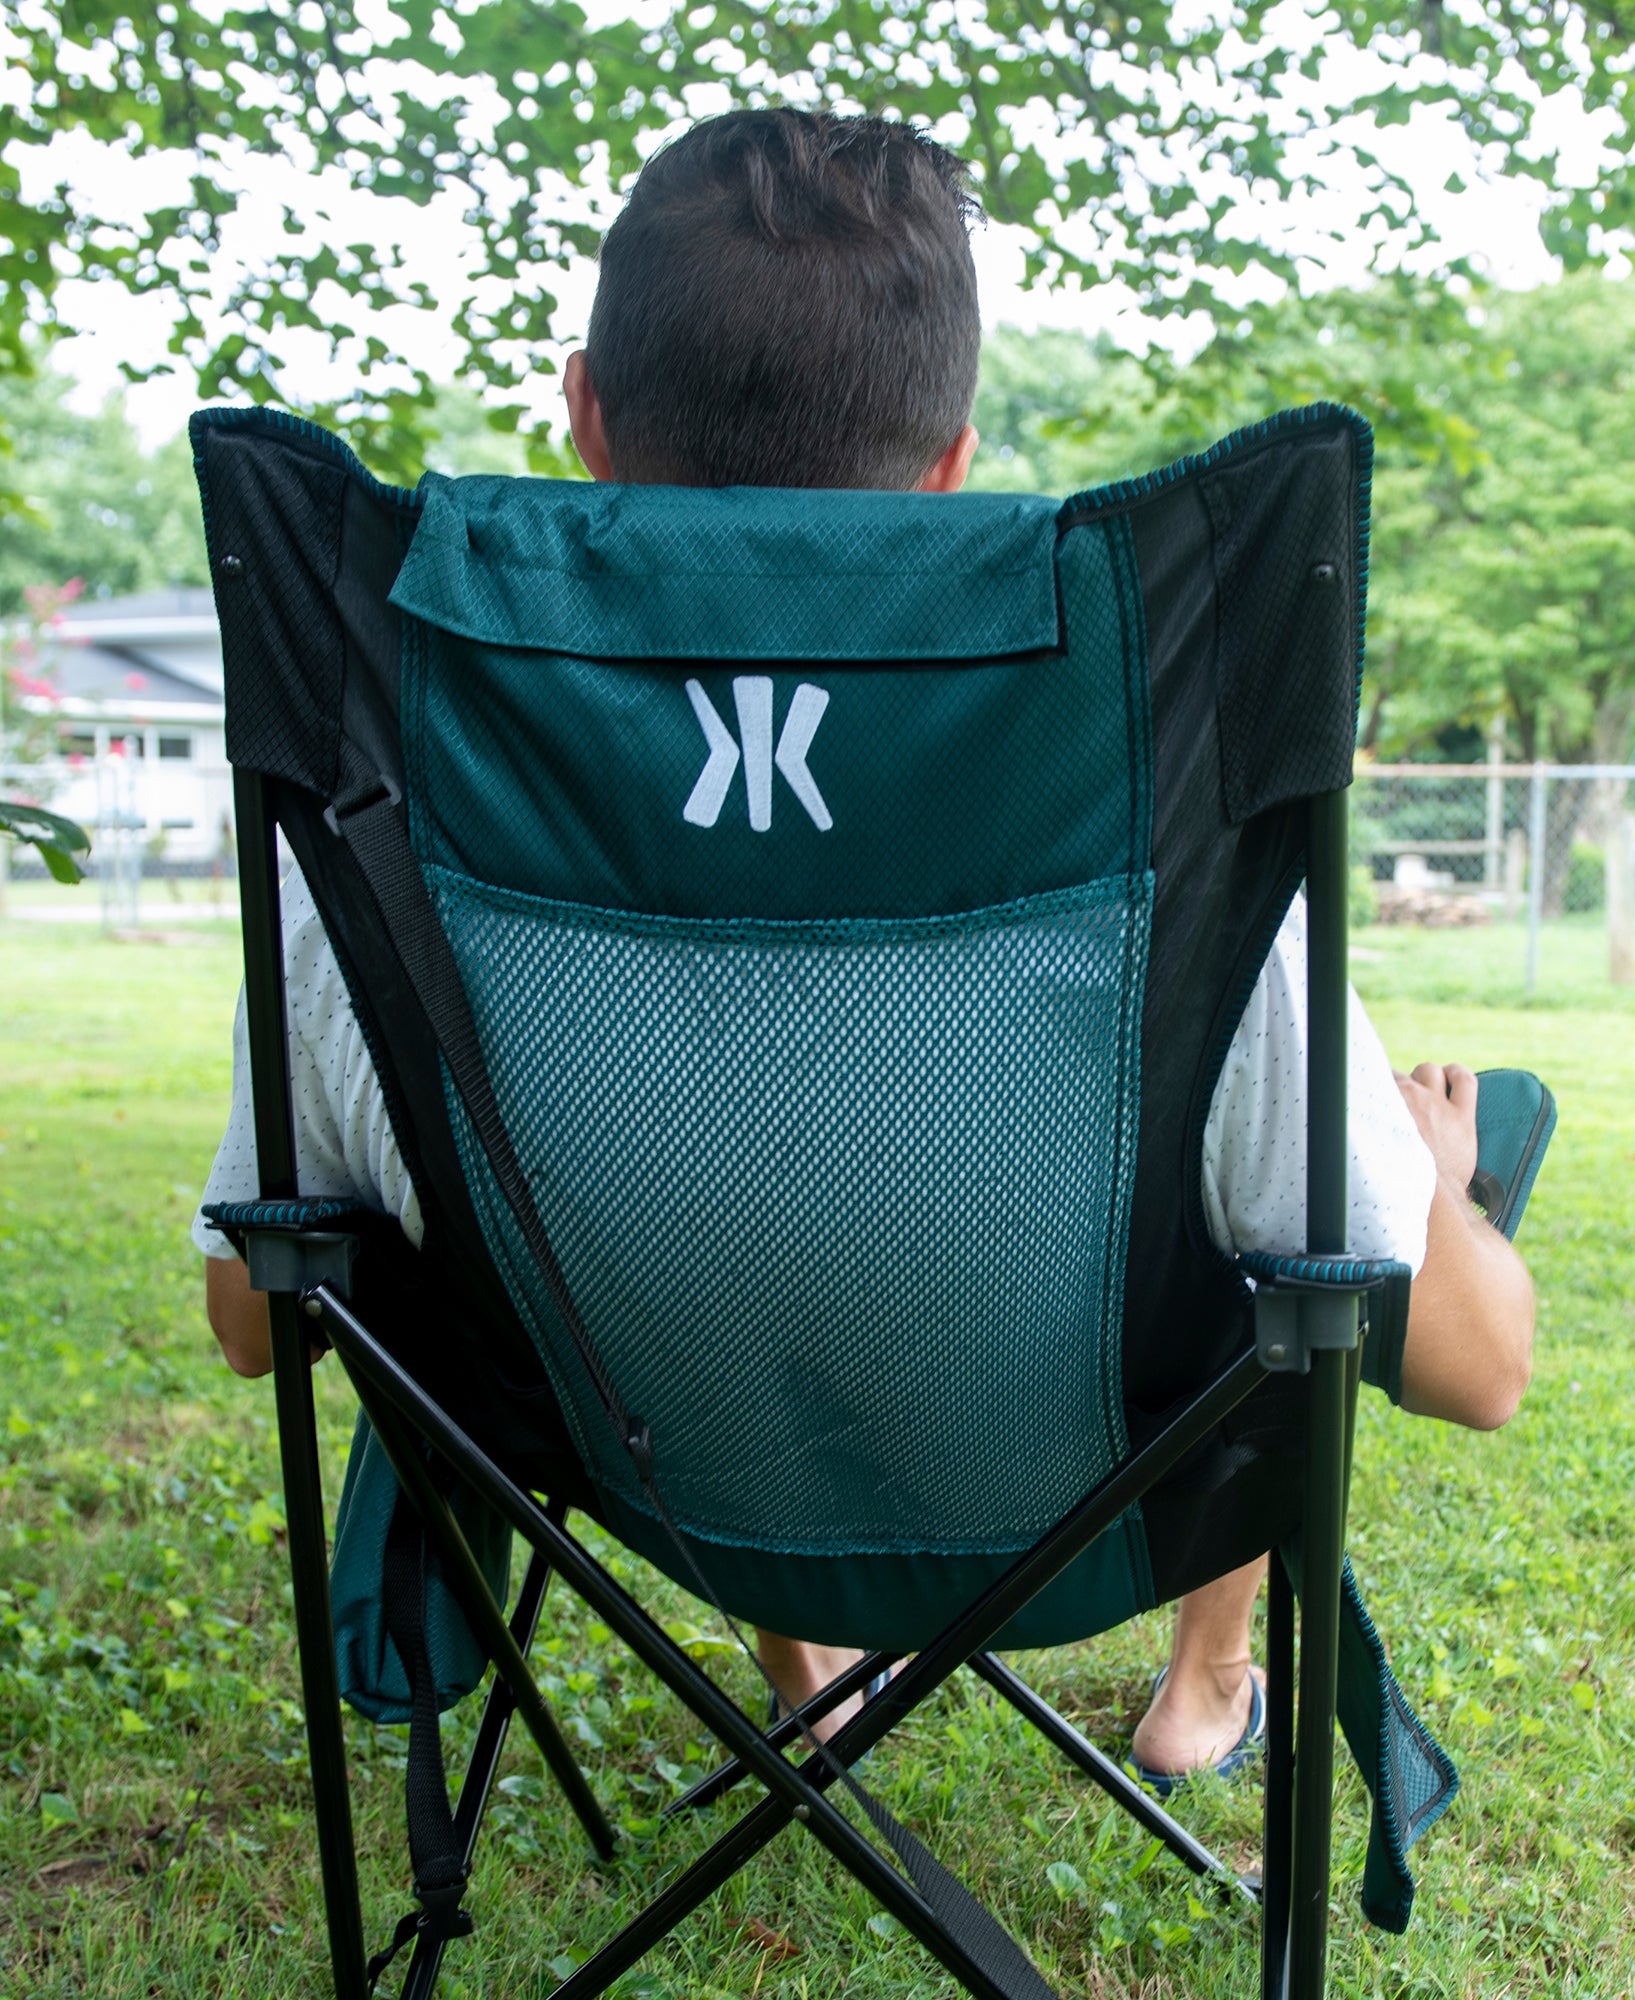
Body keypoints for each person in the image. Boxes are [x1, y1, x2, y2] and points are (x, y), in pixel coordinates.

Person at [197, 106, 1533, 1789]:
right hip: (1080, 1515)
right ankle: (1211, 1671)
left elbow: (256, 1325)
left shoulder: (386, 845)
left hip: (672, 1499)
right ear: (954, 464)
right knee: (1307, 1237)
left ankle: (810, 1670)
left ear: (584, 414)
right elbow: (1477, 1373)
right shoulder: (1150, 842)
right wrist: (1438, 1174)